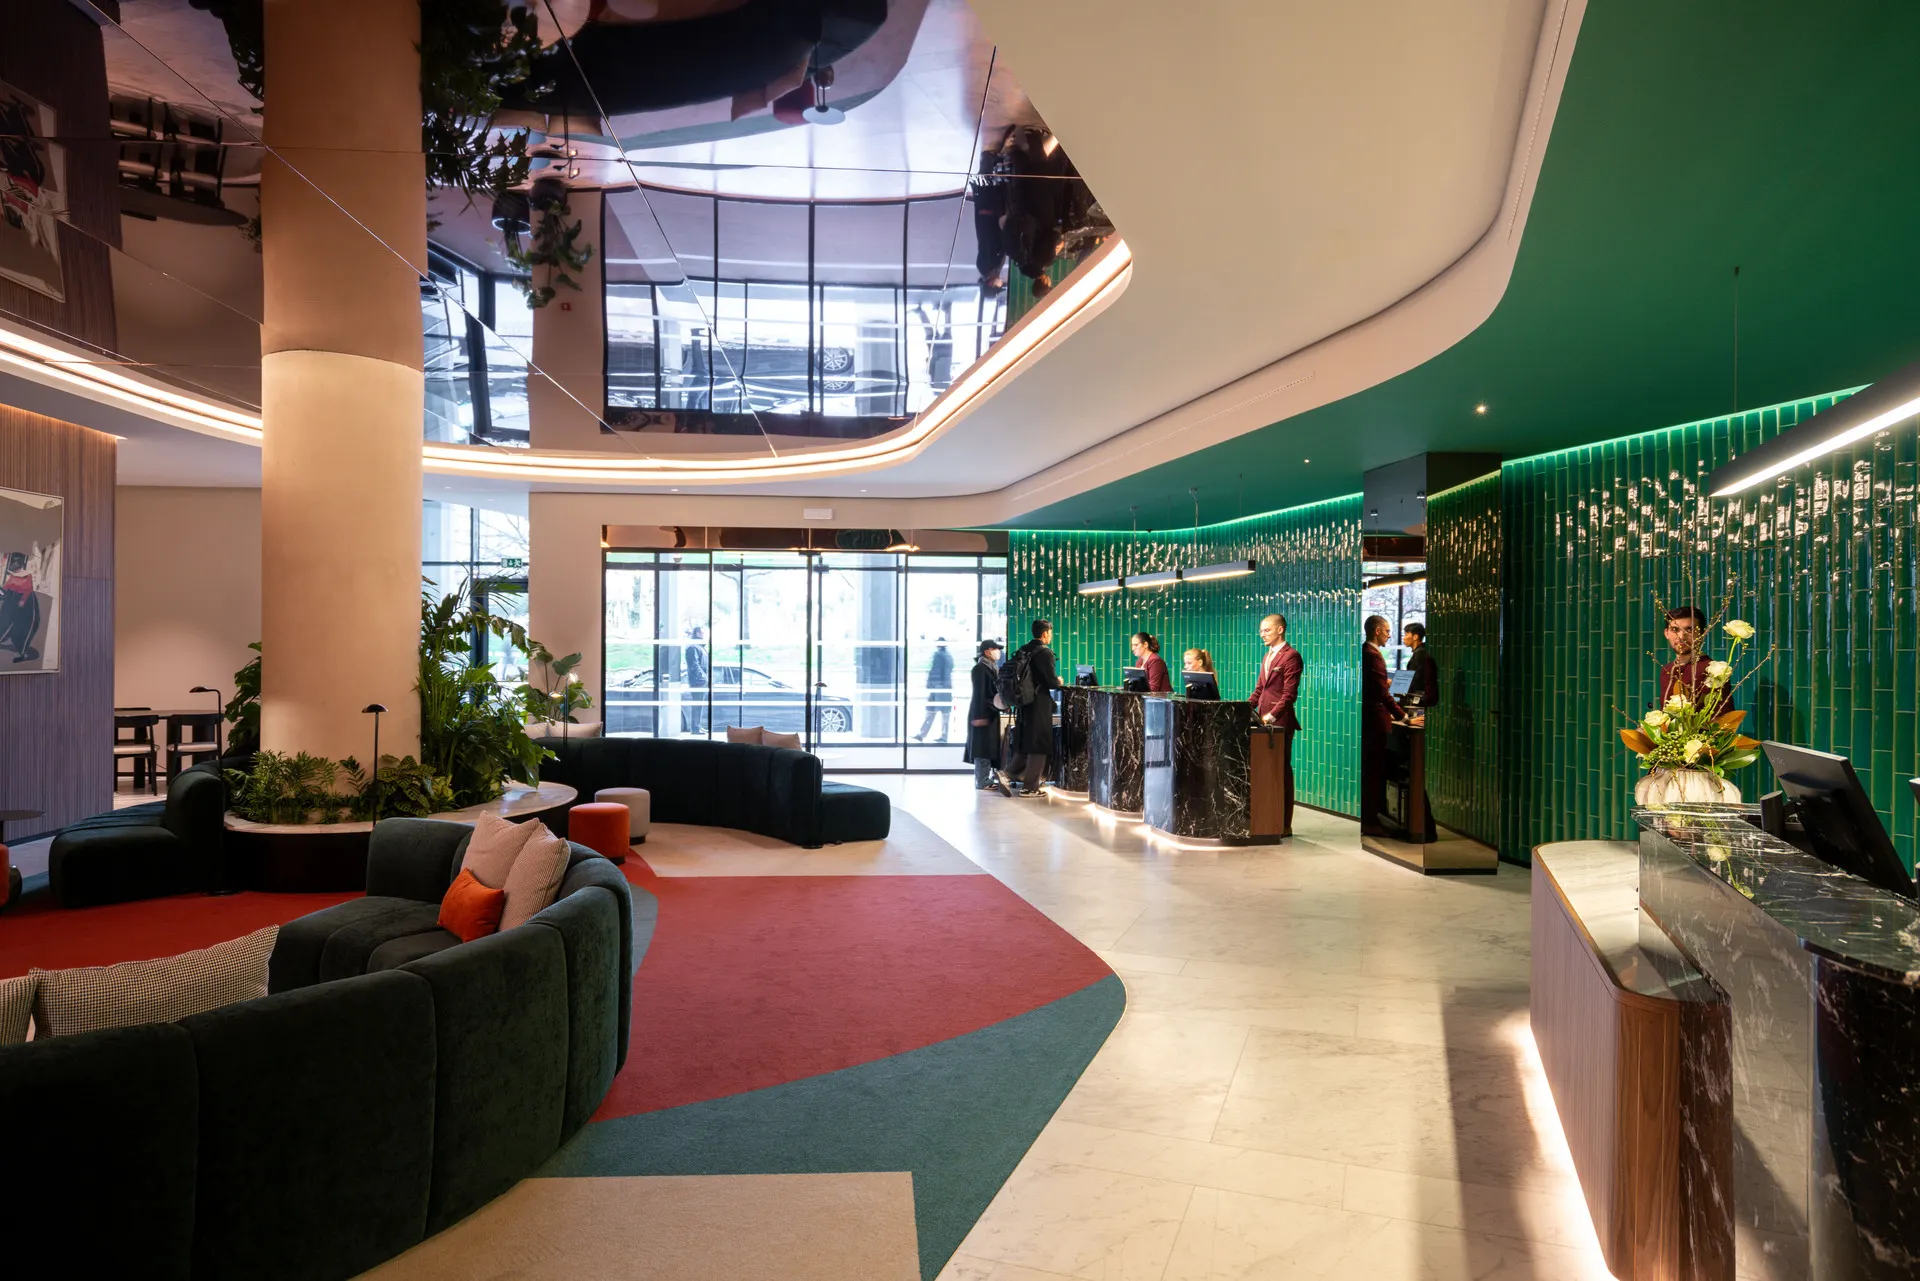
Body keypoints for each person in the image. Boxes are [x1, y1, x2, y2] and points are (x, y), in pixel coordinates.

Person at [1251, 614, 1301, 835]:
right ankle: (1268, 821)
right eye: (1261, 631)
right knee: (1266, 772)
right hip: (1263, 722)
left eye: (1267, 630)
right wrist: (1243, 709)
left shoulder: (1291, 656)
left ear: (1280, 630)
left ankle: (1284, 824)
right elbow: (1259, 691)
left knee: (1281, 772)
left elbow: (1289, 695)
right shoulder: (1267, 656)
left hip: (1280, 723)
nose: (1262, 634)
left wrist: (1270, 717)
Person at [1361, 614, 1404, 836]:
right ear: (1377, 631)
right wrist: (1403, 716)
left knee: (1371, 772)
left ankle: (1370, 819)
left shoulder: (1364, 652)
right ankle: (1371, 821)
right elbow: (1382, 694)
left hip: (1369, 721)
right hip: (1375, 722)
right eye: (1387, 631)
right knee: (1374, 773)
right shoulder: (1373, 655)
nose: (1389, 635)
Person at [1009, 618, 1062, 797]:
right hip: (1039, 703)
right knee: (1039, 744)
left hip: (1023, 703)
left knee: (1027, 741)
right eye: (1051, 633)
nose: (1051, 636)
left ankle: (1008, 774)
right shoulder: (1045, 653)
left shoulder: (1024, 649)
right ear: (1045, 633)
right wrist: (1059, 681)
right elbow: (1051, 682)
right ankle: (1030, 788)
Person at [1659, 606, 1723, 712]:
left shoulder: (1713, 670)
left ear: (1702, 633)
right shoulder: (1666, 670)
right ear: (1666, 633)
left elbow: (1724, 717)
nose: (1681, 637)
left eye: (1689, 629)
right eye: (1675, 630)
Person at [964, 639, 1005, 791]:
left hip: (988, 713)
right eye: (995, 649)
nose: (998, 652)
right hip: (981, 714)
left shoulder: (990, 668)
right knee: (982, 748)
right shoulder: (980, 669)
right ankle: (982, 781)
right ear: (987, 651)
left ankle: (985, 779)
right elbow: (980, 694)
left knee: (986, 747)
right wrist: (980, 716)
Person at [914, 638, 955, 742]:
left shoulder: (938, 656)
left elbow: (935, 671)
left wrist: (930, 684)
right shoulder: (948, 656)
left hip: (938, 687)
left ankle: (922, 734)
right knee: (944, 712)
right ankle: (943, 735)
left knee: (931, 711)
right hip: (945, 686)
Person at [1402, 621, 1437, 710]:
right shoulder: (1421, 652)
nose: (1404, 638)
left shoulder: (1420, 654)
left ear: (1415, 637)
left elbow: (1415, 679)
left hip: (1419, 699)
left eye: (1406, 635)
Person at [681, 623, 709, 734]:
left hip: (700, 680)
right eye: (702, 632)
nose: (704, 634)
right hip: (698, 681)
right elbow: (694, 665)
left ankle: (697, 726)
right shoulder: (693, 647)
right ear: (697, 633)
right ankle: (695, 728)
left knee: (699, 705)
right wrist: (703, 677)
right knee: (697, 705)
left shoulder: (699, 647)